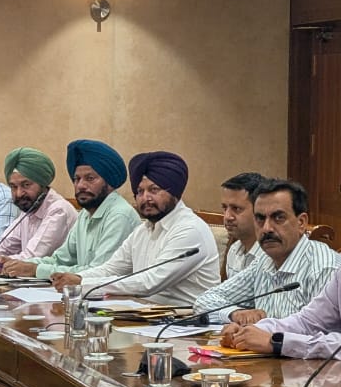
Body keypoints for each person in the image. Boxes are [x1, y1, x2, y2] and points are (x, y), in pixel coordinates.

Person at [51, 151, 219, 306]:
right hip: (145, 314)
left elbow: (149, 282)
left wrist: (82, 283)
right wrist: (76, 278)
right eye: (139, 191)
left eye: (154, 190)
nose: (145, 198)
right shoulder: (143, 230)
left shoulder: (189, 230)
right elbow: (111, 269)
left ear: (174, 192)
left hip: (188, 321)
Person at [219, 180, 341, 354]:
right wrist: (250, 331)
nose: (267, 228)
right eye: (260, 219)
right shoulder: (264, 261)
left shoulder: (325, 267)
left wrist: (277, 342)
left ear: (301, 222)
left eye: (278, 218)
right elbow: (308, 322)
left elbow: (326, 337)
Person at [0, 140, 138, 279]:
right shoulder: (85, 215)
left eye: (90, 178)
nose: (81, 185)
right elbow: (60, 259)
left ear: (110, 182)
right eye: (77, 179)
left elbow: (99, 272)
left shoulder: (119, 215)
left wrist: (35, 270)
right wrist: (18, 264)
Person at [218, 172, 266, 277]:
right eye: (225, 208)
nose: (227, 217)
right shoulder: (234, 250)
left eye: (236, 209)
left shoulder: (272, 256)